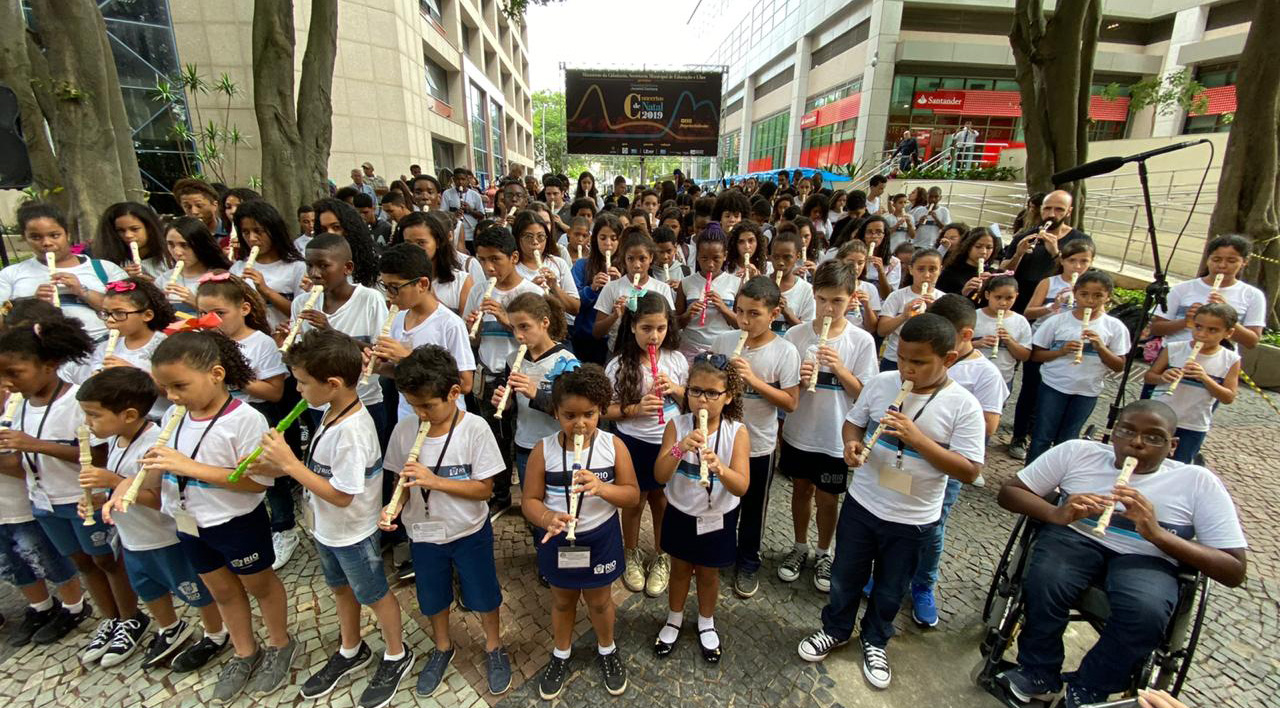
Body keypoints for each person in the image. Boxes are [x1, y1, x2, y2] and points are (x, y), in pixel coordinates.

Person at [996, 399, 1247, 708]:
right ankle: (1038, 671)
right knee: (1045, 580)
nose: (1137, 443)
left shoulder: (1196, 482)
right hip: (1075, 539)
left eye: (1154, 437)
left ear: (1173, 445)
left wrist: (1157, 534)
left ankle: (1090, 687)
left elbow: (1234, 569)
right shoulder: (1077, 453)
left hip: (1148, 558)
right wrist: (1056, 513)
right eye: (1127, 431)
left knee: (1145, 612)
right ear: (1112, 434)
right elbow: (1009, 493)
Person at [798, 314, 985, 690]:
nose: (906, 369)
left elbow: (969, 470)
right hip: (863, 504)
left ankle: (876, 639)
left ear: (948, 360)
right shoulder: (883, 383)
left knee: (890, 587)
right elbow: (854, 421)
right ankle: (835, 628)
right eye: (901, 358)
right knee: (845, 575)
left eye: (918, 362)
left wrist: (917, 440)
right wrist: (851, 443)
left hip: (913, 518)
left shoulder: (964, 406)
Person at [253, 329, 415, 707]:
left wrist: (290, 464)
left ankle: (396, 652)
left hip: (353, 532)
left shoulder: (353, 432)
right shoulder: (330, 412)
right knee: (341, 589)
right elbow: (319, 472)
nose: (297, 390)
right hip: (326, 529)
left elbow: (342, 495)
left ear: (333, 383)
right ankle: (350, 647)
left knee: (374, 593)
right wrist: (279, 467)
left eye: (302, 382)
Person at [144, 330, 295, 703]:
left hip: (236, 520)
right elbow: (161, 470)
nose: (173, 397)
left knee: (259, 584)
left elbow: (256, 484)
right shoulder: (173, 419)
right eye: (165, 388)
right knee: (222, 590)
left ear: (215, 374)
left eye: (180, 386)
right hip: (190, 521)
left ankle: (279, 642)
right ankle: (245, 651)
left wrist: (189, 467)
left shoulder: (245, 419)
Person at [0, 315, 146, 652]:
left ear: (49, 365)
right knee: (82, 563)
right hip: (45, 501)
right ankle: (109, 618)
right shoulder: (20, 406)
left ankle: (130, 617)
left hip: (81, 498)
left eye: (15, 373)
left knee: (106, 560)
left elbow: (98, 455)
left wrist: (34, 445)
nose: (8, 383)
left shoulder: (78, 401)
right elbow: (19, 464)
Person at [378, 345, 513, 698]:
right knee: (433, 596)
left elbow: (484, 490)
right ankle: (442, 647)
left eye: (428, 406)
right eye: (412, 405)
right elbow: (401, 484)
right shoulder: (405, 431)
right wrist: (393, 507)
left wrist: (433, 480)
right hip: (423, 535)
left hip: (469, 531)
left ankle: (494, 647)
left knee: (483, 594)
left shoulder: (475, 429)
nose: (420, 414)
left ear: (454, 393)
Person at [83, 368, 227, 671]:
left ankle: (216, 632)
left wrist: (115, 481)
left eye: (94, 415)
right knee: (148, 587)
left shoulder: (155, 443)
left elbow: (159, 498)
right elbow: (120, 491)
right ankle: (169, 627)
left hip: (164, 536)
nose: (88, 424)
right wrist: (100, 499)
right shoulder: (115, 440)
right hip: (133, 537)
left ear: (129, 414)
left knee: (193, 589)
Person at [522, 364, 637, 700]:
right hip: (559, 539)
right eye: (570, 415)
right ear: (555, 413)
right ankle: (561, 653)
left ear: (601, 410)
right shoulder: (543, 450)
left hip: (599, 537)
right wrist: (546, 517)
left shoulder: (613, 446)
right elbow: (529, 499)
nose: (580, 424)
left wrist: (602, 489)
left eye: (589, 414)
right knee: (561, 600)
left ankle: (607, 648)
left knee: (600, 602)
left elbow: (631, 494)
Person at [777, 262, 878, 592]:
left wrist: (839, 369)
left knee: (828, 498)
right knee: (800, 491)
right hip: (799, 432)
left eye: (837, 301)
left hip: (835, 436)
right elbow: (785, 390)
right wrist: (799, 379)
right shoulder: (796, 334)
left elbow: (866, 395)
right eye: (821, 299)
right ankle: (799, 546)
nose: (828, 308)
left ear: (851, 299)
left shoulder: (860, 341)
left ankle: (824, 551)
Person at [907, 295, 1008, 624]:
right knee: (896, 523)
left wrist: (945, 409)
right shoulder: (920, 358)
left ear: (964, 336)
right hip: (905, 457)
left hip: (945, 464)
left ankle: (923, 585)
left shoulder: (984, 373)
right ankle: (887, 575)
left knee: (932, 527)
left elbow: (989, 426)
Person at [652, 353, 750, 663]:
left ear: (728, 396)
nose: (702, 401)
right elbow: (659, 475)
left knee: (708, 574)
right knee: (680, 569)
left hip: (717, 515)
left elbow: (741, 485)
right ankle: (674, 617)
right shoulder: (677, 425)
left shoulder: (737, 432)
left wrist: (719, 467)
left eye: (711, 393)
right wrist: (680, 448)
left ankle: (706, 622)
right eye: (695, 391)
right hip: (682, 511)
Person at [712, 277, 801, 598]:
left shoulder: (784, 351)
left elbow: (791, 402)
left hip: (759, 444)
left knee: (752, 507)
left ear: (774, 313)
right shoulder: (723, 341)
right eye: (739, 312)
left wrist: (752, 380)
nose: (745, 321)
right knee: (720, 500)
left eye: (754, 314)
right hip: (721, 439)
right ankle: (719, 551)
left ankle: (749, 560)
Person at [605, 293, 687, 598]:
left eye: (661, 328)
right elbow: (605, 410)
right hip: (633, 442)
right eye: (646, 329)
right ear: (633, 327)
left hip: (667, 442)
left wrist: (676, 389)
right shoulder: (618, 365)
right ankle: (631, 553)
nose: (654, 336)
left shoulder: (676, 360)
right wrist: (636, 409)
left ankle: (662, 554)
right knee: (634, 501)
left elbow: (690, 401)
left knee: (662, 501)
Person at [463, 226, 543, 516]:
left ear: (513, 257)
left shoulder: (531, 291)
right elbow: (470, 340)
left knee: (523, 436)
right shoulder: (477, 291)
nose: (488, 267)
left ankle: (532, 495)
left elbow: (540, 340)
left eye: (495, 259)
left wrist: (506, 319)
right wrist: (475, 328)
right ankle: (500, 493)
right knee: (494, 437)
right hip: (489, 372)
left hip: (522, 373)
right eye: (482, 260)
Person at [285, 234, 391, 445]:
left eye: (324, 266)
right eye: (310, 266)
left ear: (347, 267)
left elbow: (381, 353)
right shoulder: (301, 303)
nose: (315, 274)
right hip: (319, 404)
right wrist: (287, 346)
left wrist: (331, 331)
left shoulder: (370, 299)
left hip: (364, 401)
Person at [1008, 238, 1096, 461]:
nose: (1077, 266)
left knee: (1054, 396)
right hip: (1042, 341)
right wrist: (1052, 306)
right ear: (1063, 261)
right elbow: (1029, 312)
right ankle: (1020, 436)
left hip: (1072, 349)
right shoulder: (1050, 283)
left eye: (1083, 261)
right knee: (1031, 390)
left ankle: (1043, 437)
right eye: (1072, 261)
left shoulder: (1092, 289)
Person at [1028, 271, 1130, 462]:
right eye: (1084, 294)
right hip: (1054, 386)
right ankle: (1031, 476)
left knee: (1068, 440)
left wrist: (1100, 347)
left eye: (1098, 295)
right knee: (1042, 436)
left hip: (1087, 391)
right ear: (1075, 293)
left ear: (1108, 296)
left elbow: (1118, 366)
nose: (1090, 300)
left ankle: (1057, 480)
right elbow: (1035, 355)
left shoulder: (1114, 327)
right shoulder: (1057, 321)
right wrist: (1060, 351)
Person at [0, 203, 129, 342]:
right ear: (25, 238)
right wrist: (32, 305)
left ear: (67, 234)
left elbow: (131, 312)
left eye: (54, 235)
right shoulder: (11, 274)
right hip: (38, 351)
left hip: (103, 343)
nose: (46, 243)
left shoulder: (105, 268)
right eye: (36, 237)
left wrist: (83, 291)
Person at [1146, 303, 1240, 463]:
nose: (1202, 334)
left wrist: (1205, 378)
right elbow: (1149, 377)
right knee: (1148, 459)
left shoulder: (1230, 359)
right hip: (1160, 417)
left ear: (1228, 332)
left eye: (1212, 330)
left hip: (1193, 424)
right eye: (1198, 327)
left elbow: (1228, 397)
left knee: (1179, 466)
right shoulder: (1175, 348)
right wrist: (1163, 377)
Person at [1149, 234, 1265, 351]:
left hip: (1219, 361)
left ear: (1244, 262)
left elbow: (1252, 342)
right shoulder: (1182, 289)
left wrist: (1227, 317)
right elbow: (1155, 328)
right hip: (1173, 355)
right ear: (1208, 259)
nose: (1222, 265)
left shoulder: (1253, 295)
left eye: (1231, 261)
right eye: (1216, 260)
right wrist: (1185, 321)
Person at [1000, 190, 1089, 315]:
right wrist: (1018, 255)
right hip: (1020, 302)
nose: (1051, 214)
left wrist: (1055, 252)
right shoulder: (1024, 237)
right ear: (1041, 209)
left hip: (1058, 303)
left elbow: (1080, 274)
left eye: (1059, 209)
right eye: (1047, 208)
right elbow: (1004, 271)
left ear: (1069, 212)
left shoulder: (1080, 240)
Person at [230, 200, 308, 331]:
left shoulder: (297, 267)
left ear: (273, 231)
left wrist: (266, 291)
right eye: (245, 232)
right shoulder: (238, 268)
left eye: (258, 231)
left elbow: (302, 314)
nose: (252, 238)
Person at [594, 229, 675, 352]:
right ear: (624, 259)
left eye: (642, 259)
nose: (637, 265)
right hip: (619, 352)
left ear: (651, 258)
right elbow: (597, 332)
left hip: (651, 353)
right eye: (631, 259)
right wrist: (615, 315)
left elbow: (670, 327)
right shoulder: (612, 287)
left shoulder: (662, 288)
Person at [676, 223, 741, 359]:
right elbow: (675, 324)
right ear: (697, 256)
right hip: (690, 348)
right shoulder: (686, 283)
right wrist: (689, 314)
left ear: (725, 256)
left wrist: (723, 308)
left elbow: (741, 324)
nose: (710, 264)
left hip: (723, 349)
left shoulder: (735, 283)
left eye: (716, 258)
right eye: (704, 258)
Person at [876, 249, 944, 371]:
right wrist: (904, 316)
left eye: (933, 269)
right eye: (921, 269)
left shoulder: (944, 299)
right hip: (894, 359)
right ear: (911, 270)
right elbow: (881, 331)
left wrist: (933, 312)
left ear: (940, 270)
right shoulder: (897, 296)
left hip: (927, 361)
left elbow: (947, 336)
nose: (927, 275)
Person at [570, 214, 625, 365]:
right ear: (595, 239)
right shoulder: (582, 265)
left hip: (615, 340)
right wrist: (592, 288)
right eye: (603, 238)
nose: (608, 243)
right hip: (585, 338)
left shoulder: (627, 267)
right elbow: (573, 303)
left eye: (614, 238)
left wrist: (620, 284)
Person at [397, 211, 475, 315]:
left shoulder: (461, 281)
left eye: (421, 243)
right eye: (408, 243)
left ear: (438, 242)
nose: (414, 249)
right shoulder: (396, 281)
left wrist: (431, 300)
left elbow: (466, 327)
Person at [512, 210, 579, 320]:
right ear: (518, 238)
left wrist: (554, 287)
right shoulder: (512, 268)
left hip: (556, 330)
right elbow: (507, 309)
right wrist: (531, 290)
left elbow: (575, 309)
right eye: (528, 236)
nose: (535, 242)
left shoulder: (558, 263)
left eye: (541, 236)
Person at [973, 276, 1033, 389]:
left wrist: (1009, 341)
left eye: (1009, 298)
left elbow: (1025, 356)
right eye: (998, 297)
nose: (1003, 303)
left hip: (1002, 379)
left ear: (1016, 296)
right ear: (987, 295)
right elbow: (957, 346)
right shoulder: (974, 316)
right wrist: (977, 344)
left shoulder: (1020, 321)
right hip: (973, 376)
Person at [94, 202, 170, 282]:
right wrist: (119, 278)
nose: (128, 235)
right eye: (121, 230)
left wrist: (157, 284)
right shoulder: (109, 262)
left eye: (134, 229)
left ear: (149, 228)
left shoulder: (169, 257)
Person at [770, 230, 816, 334]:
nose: (781, 262)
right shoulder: (760, 283)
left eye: (787, 257)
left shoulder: (806, 290)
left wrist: (787, 314)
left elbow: (809, 333)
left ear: (797, 257)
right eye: (776, 257)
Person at [937, 227, 997, 296]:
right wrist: (963, 292)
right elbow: (939, 301)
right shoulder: (951, 271)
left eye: (989, 248)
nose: (984, 252)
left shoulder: (992, 274)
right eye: (978, 246)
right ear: (968, 247)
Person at [441, 167, 487, 250]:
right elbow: (442, 214)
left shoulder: (475, 195)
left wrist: (470, 211)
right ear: (453, 180)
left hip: (471, 234)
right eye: (457, 179)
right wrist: (454, 215)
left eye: (463, 179)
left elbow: (482, 215)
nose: (460, 182)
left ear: (467, 180)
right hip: (455, 233)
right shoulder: (447, 194)